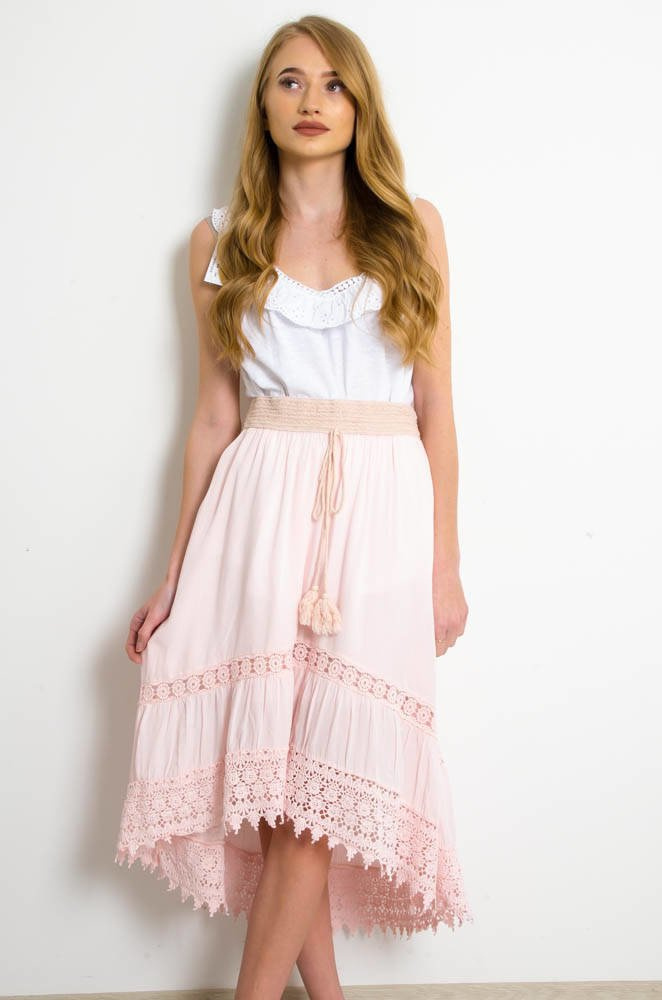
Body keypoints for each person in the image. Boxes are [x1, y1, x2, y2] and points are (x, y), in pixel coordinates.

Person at [115, 14, 473, 999]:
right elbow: (211, 417)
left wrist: (444, 564)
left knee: (317, 780)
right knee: (284, 794)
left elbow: (437, 406)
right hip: (256, 516)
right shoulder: (219, 241)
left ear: (360, 106)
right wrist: (173, 575)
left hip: (379, 519)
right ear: (262, 105)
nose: (311, 100)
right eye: (288, 81)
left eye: (332, 83)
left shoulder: (413, 228)